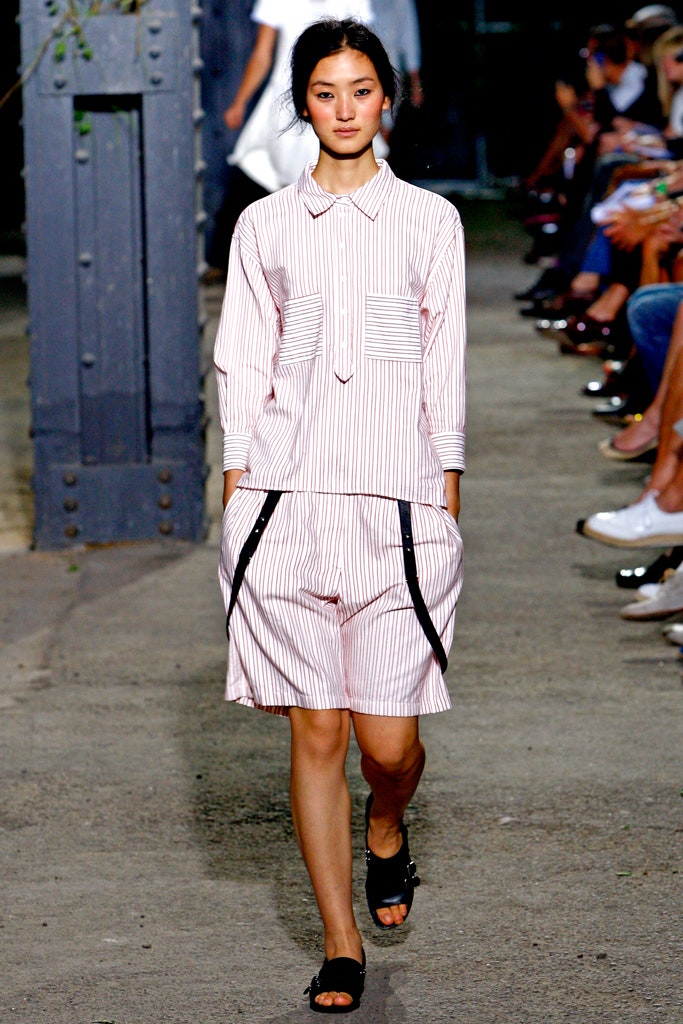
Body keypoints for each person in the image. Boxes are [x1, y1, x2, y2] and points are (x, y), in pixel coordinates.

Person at [213, 17, 466, 1014]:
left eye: (360, 89)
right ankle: (338, 940)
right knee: (315, 730)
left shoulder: (428, 222)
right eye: (325, 92)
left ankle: (388, 825)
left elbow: (441, 361)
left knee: (386, 745)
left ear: (384, 99)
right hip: (288, 498)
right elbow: (242, 354)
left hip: (397, 502)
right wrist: (239, 491)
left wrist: (444, 490)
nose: (344, 108)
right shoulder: (265, 228)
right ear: (303, 104)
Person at [205, 0, 379, 275]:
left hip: (337, 103)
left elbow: (367, 55)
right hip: (289, 105)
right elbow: (262, 54)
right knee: (290, 186)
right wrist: (240, 101)